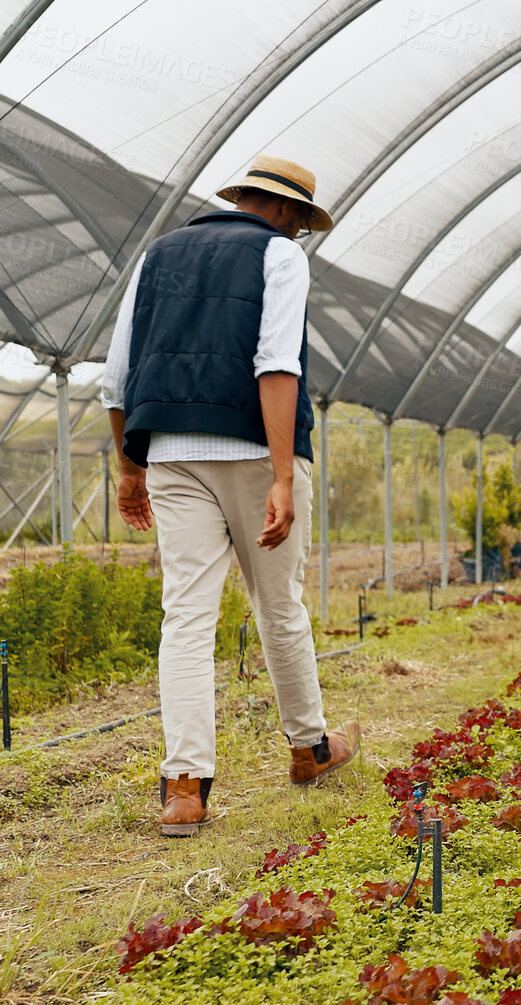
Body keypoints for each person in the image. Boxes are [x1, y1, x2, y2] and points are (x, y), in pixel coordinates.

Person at [102, 155, 360, 838]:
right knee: (278, 605)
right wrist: (281, 473)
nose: (296, 233)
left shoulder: (158, 254)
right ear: (284, 211)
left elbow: (117, 374)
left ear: (239, 197)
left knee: (185, 617)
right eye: (299, 224)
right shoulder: (278, 256)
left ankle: (184, 789)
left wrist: (130, 468)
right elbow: (276, 362)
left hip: (170, 454)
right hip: (251, 450)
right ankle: (309, 750)